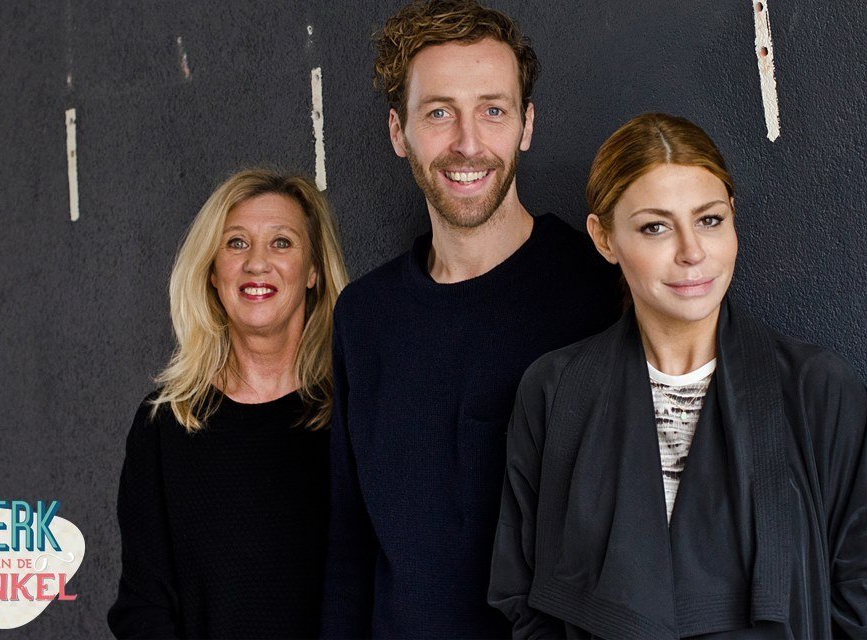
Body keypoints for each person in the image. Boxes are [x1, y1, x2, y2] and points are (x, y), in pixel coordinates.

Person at [488, 112, 867, 639]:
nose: (692, 252)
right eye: (655, 227)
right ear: (604, 238)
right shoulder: (554, 393)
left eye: (709, 220)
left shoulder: (817, 391)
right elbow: (522, 594)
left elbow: (858, 597)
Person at [321, 1, 621, 637]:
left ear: (526, 125)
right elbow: (349, 544)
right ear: (398, 131)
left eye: (492, 110)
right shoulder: (365, 318)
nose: (467, 143)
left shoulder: (598, 292)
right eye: (439, 113)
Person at [108, 169, 349, 639]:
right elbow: (143, 608)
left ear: (313, 271)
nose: (257, 263)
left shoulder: (353, 415)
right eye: (237, 243)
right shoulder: (164, 426)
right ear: (213, 272)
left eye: (281, 243)